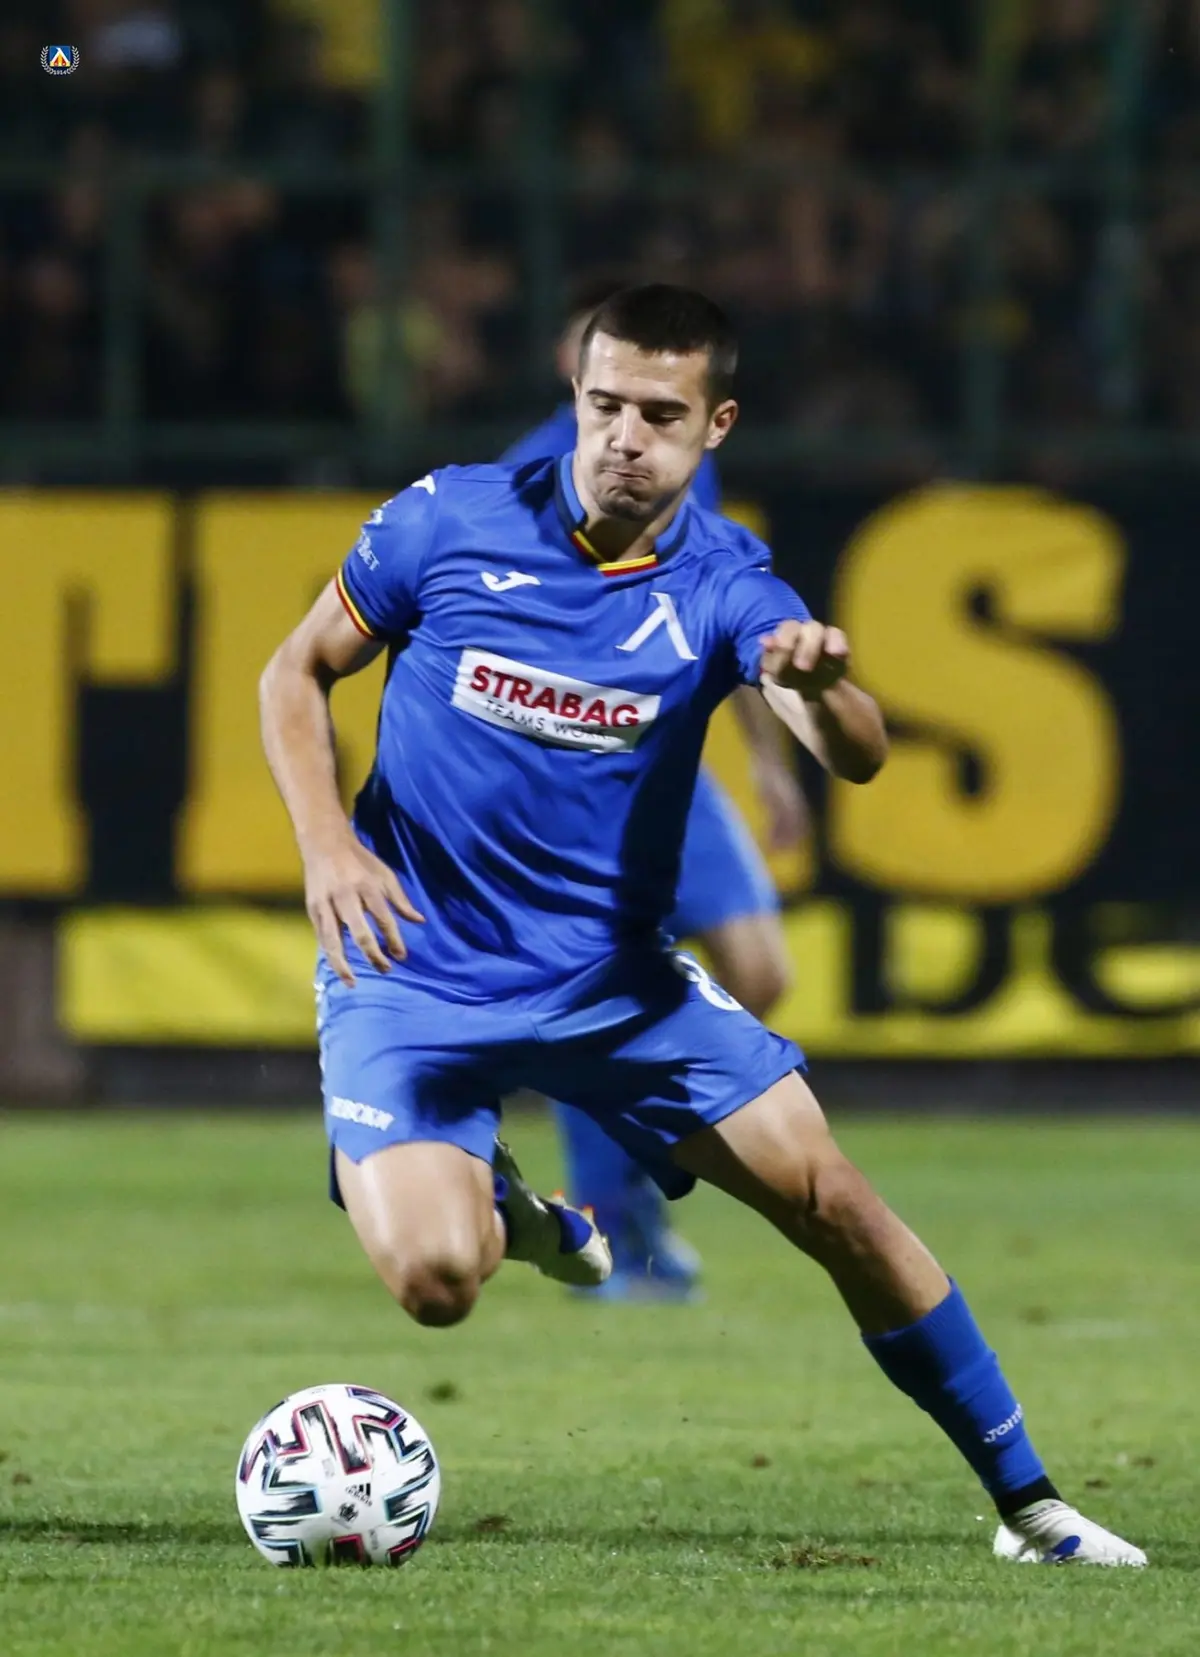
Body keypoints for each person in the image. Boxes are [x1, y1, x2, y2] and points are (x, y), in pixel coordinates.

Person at [260, 284, 1145, 1566]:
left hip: (616, 986)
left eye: (661, 415)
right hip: (413, 972)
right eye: (605, 404)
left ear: (715, 424)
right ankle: (526, 1217)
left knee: (837, 1199)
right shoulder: (444, 518)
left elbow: (858, 752)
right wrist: (326, 846)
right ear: (576, 397)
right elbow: (294, 671)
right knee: (436, 1285)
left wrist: (821, 690)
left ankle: (1033, 1508)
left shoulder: (726, 580)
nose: (626, 436)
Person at [501, 277, 809, 1299]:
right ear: (577, 371)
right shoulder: (523, 481)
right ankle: (610, 1228)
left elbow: (723, 611)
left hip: (664, 759)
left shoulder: (681, 464)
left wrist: (768, 764)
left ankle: (622, 1176)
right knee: (609, 994)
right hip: (570, 770)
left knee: (759, 972)